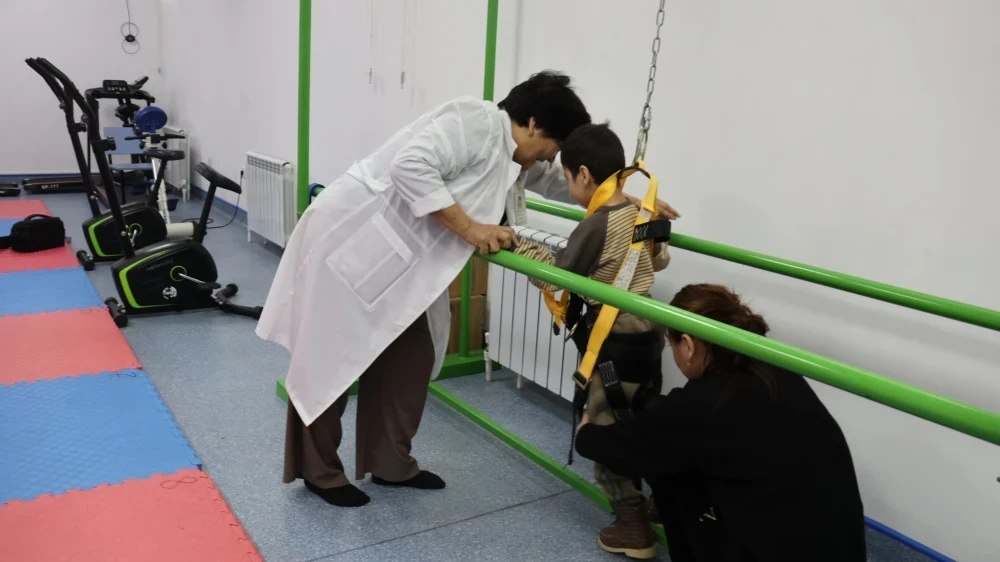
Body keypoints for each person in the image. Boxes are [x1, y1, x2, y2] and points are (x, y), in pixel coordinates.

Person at [257, 71, 680, 508]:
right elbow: (410, 166)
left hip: (405, 267)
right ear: (533, 124)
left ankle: (390, 463)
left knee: (411, 357)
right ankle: (319, 471)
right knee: (331, 359)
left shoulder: (517, 155)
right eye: (553, 147)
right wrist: (471, 228)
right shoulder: (474, 122)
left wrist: (624, 201)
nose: (551, 158)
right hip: (358, 246)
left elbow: (566, 181)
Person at [574, 284, 866, 561]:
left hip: (776, 550)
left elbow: (629, 447)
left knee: (669, 469)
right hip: (838, 544)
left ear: (687, 345)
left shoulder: (706, 404)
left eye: (671, 346)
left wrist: (586, 431)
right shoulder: (775, 369)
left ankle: (635, 530)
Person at [513, 123, 671, 559]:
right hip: (648, 331)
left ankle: (632, 526)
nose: (570, 186)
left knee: (606, 429)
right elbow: (657, 261)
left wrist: (523, 249)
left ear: (583, 174)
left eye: (567, 178)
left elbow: (559, 279)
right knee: (640, 417)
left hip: (612, 339)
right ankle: (664, 502)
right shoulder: (642, 213)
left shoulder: (596, 224)